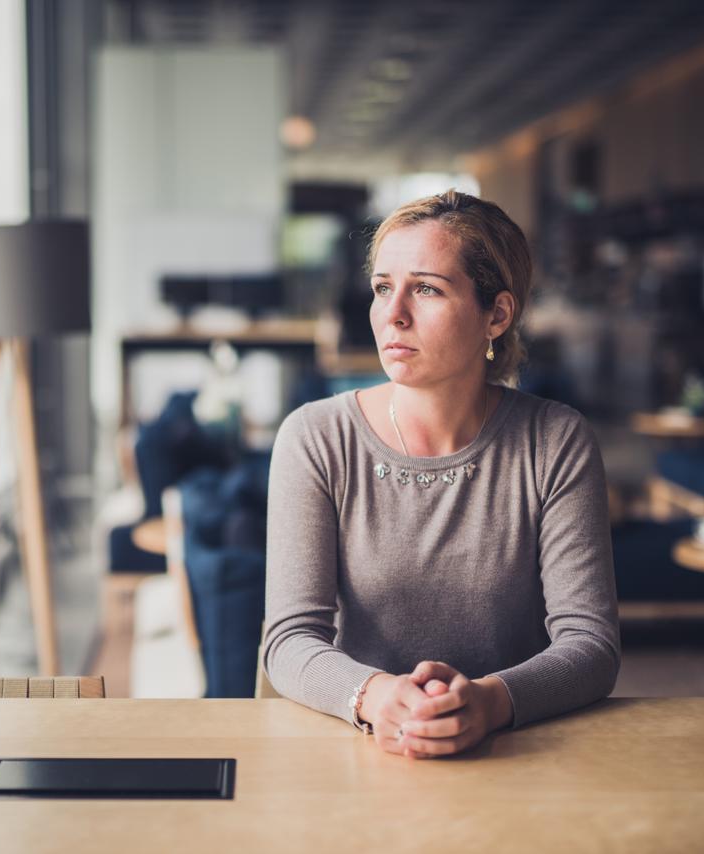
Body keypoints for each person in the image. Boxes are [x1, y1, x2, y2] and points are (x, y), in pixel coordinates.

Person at [261, 190, 619, 758]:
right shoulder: (316, 437)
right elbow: (288, 642)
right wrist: (376, 697)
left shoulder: (555, 440)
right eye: (383, 287)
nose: (393, 312)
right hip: (362, 753)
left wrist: (490, 701)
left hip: (519, 753)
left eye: (425, 288)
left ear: (496, 315)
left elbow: (591, 644)